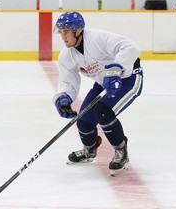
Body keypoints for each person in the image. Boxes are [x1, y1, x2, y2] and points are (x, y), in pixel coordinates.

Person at [52, 11, 143, 176]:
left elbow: (131, 47)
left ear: (78, 30)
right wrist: (64, 97)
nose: (63, 36)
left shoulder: (97, 38)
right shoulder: (67, 55)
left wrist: (116, 69)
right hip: (103, 82)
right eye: (61, 32)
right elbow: (68, 81)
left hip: (128, 78)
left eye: (66, 31)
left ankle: (121, 151)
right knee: (84, 121)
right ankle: (89, 149)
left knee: (103, 111)